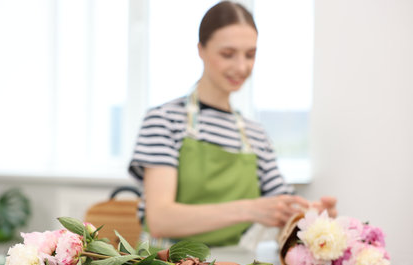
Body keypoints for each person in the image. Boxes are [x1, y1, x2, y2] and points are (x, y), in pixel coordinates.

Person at [128, 1, 337, 248]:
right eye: (228, 54)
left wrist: (312, 214)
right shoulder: (163, 121)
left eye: (250, 55)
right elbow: (161, 218)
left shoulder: (255, 135)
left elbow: (282, 207)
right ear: (201, 50)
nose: (241, 67)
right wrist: (250, 209)